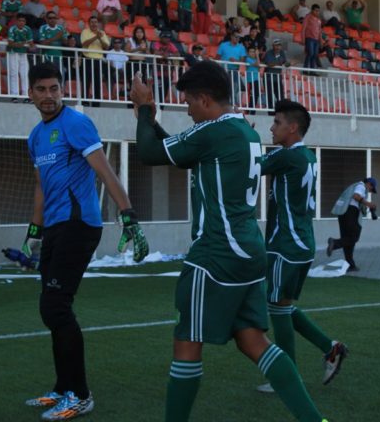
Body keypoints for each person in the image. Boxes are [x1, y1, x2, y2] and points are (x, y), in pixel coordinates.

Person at [131, 60, 328, 422]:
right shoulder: (241, 131)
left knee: (187, 344)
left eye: (189, 102)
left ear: (205, 99)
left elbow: (147, 153)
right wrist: (152, 120)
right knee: (253, 340)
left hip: (215, 254)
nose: (188, 111)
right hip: (248, 251)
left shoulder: (212, 132)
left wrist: (144, 109)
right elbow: (175, 150)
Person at [23, 61, 148, 422]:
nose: (49, 96)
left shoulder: (76, 123)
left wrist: (129, 217)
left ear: (62, 90)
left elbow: (105, 171)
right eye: (42, 89)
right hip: (55, 228)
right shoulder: (35, 136)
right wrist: (34, 230)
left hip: (80, 224)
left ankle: (79, 395)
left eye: (54, 89)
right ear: (30, 93)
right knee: (53, 307)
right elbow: (40, 187)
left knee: (55, 307)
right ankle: (63, 388)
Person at [256, 99, 347, 394]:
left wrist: (237, 133)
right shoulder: (306, 156)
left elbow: (250, 165)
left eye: (277, 122)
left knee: (277, 307)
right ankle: (329, 347)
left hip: (286, 243)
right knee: (282, 305)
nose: (272, 127)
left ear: (293, 128)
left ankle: (286, 378)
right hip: (300, 241)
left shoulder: (288, 157)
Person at [326, 177, 377, 272]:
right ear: (369, 184)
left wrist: (366, 207)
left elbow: (357, 200)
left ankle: (350, 265)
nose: (370, 191)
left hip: (342, 213)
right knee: (354, 237)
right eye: (371, 188)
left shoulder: (355, 187)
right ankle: (334, 243)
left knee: (347, 238)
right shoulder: (361, 186)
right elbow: (356, 196)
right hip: (351, 212)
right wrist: (369, 204)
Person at [79, 15, 109, 101]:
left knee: (97, 81)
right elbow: (84, 44)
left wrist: (100, 38)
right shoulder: (85, 32)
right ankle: (84, 100)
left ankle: (97, 102)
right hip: (87, 58)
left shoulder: (102, 33)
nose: (94, 24)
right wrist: (96, 37)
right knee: (86, 80)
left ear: (98, 23)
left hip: (98, 60)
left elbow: (106, 47)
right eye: (92, 22)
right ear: (89, 23)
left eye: (95, 22)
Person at [7, 14, 34, 97]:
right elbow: (11, 44)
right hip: (13, 53)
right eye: (20, 21)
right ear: (16, 21)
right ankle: (14, 94)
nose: (21, 23)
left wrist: (25, 45)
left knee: (24, 74)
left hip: (23, 54)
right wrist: (23, 44)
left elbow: (31, 43)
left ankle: (25, 94)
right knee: (14, 73)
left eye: (23, 21)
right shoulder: (12, 29)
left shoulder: (28, 29)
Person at [263, 38, 289, 108]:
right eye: (276, 45)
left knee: (280, 96)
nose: (278, 47)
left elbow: (285, 63)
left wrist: (290, 63)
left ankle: (280, 110)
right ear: (273, 45)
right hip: (268, 77)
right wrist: (280, 63)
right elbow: (269, 64)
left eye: (279, 45)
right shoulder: (268, 53)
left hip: (277, 77)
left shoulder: (282, 53)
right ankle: (270, 112)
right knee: (269, 95)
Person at [302, 4, 321, 70]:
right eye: (316, 11)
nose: (317, 12)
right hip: (309, 38)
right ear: (312, 10)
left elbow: (319, 31)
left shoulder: (319, 20)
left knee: (315, 55)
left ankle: (312, 70)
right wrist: (303, 39)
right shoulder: (308, 17)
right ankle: (305, 69)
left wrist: (320, 40)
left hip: (316, 40)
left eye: (318, 11)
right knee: (310, 53)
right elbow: (303, 28)